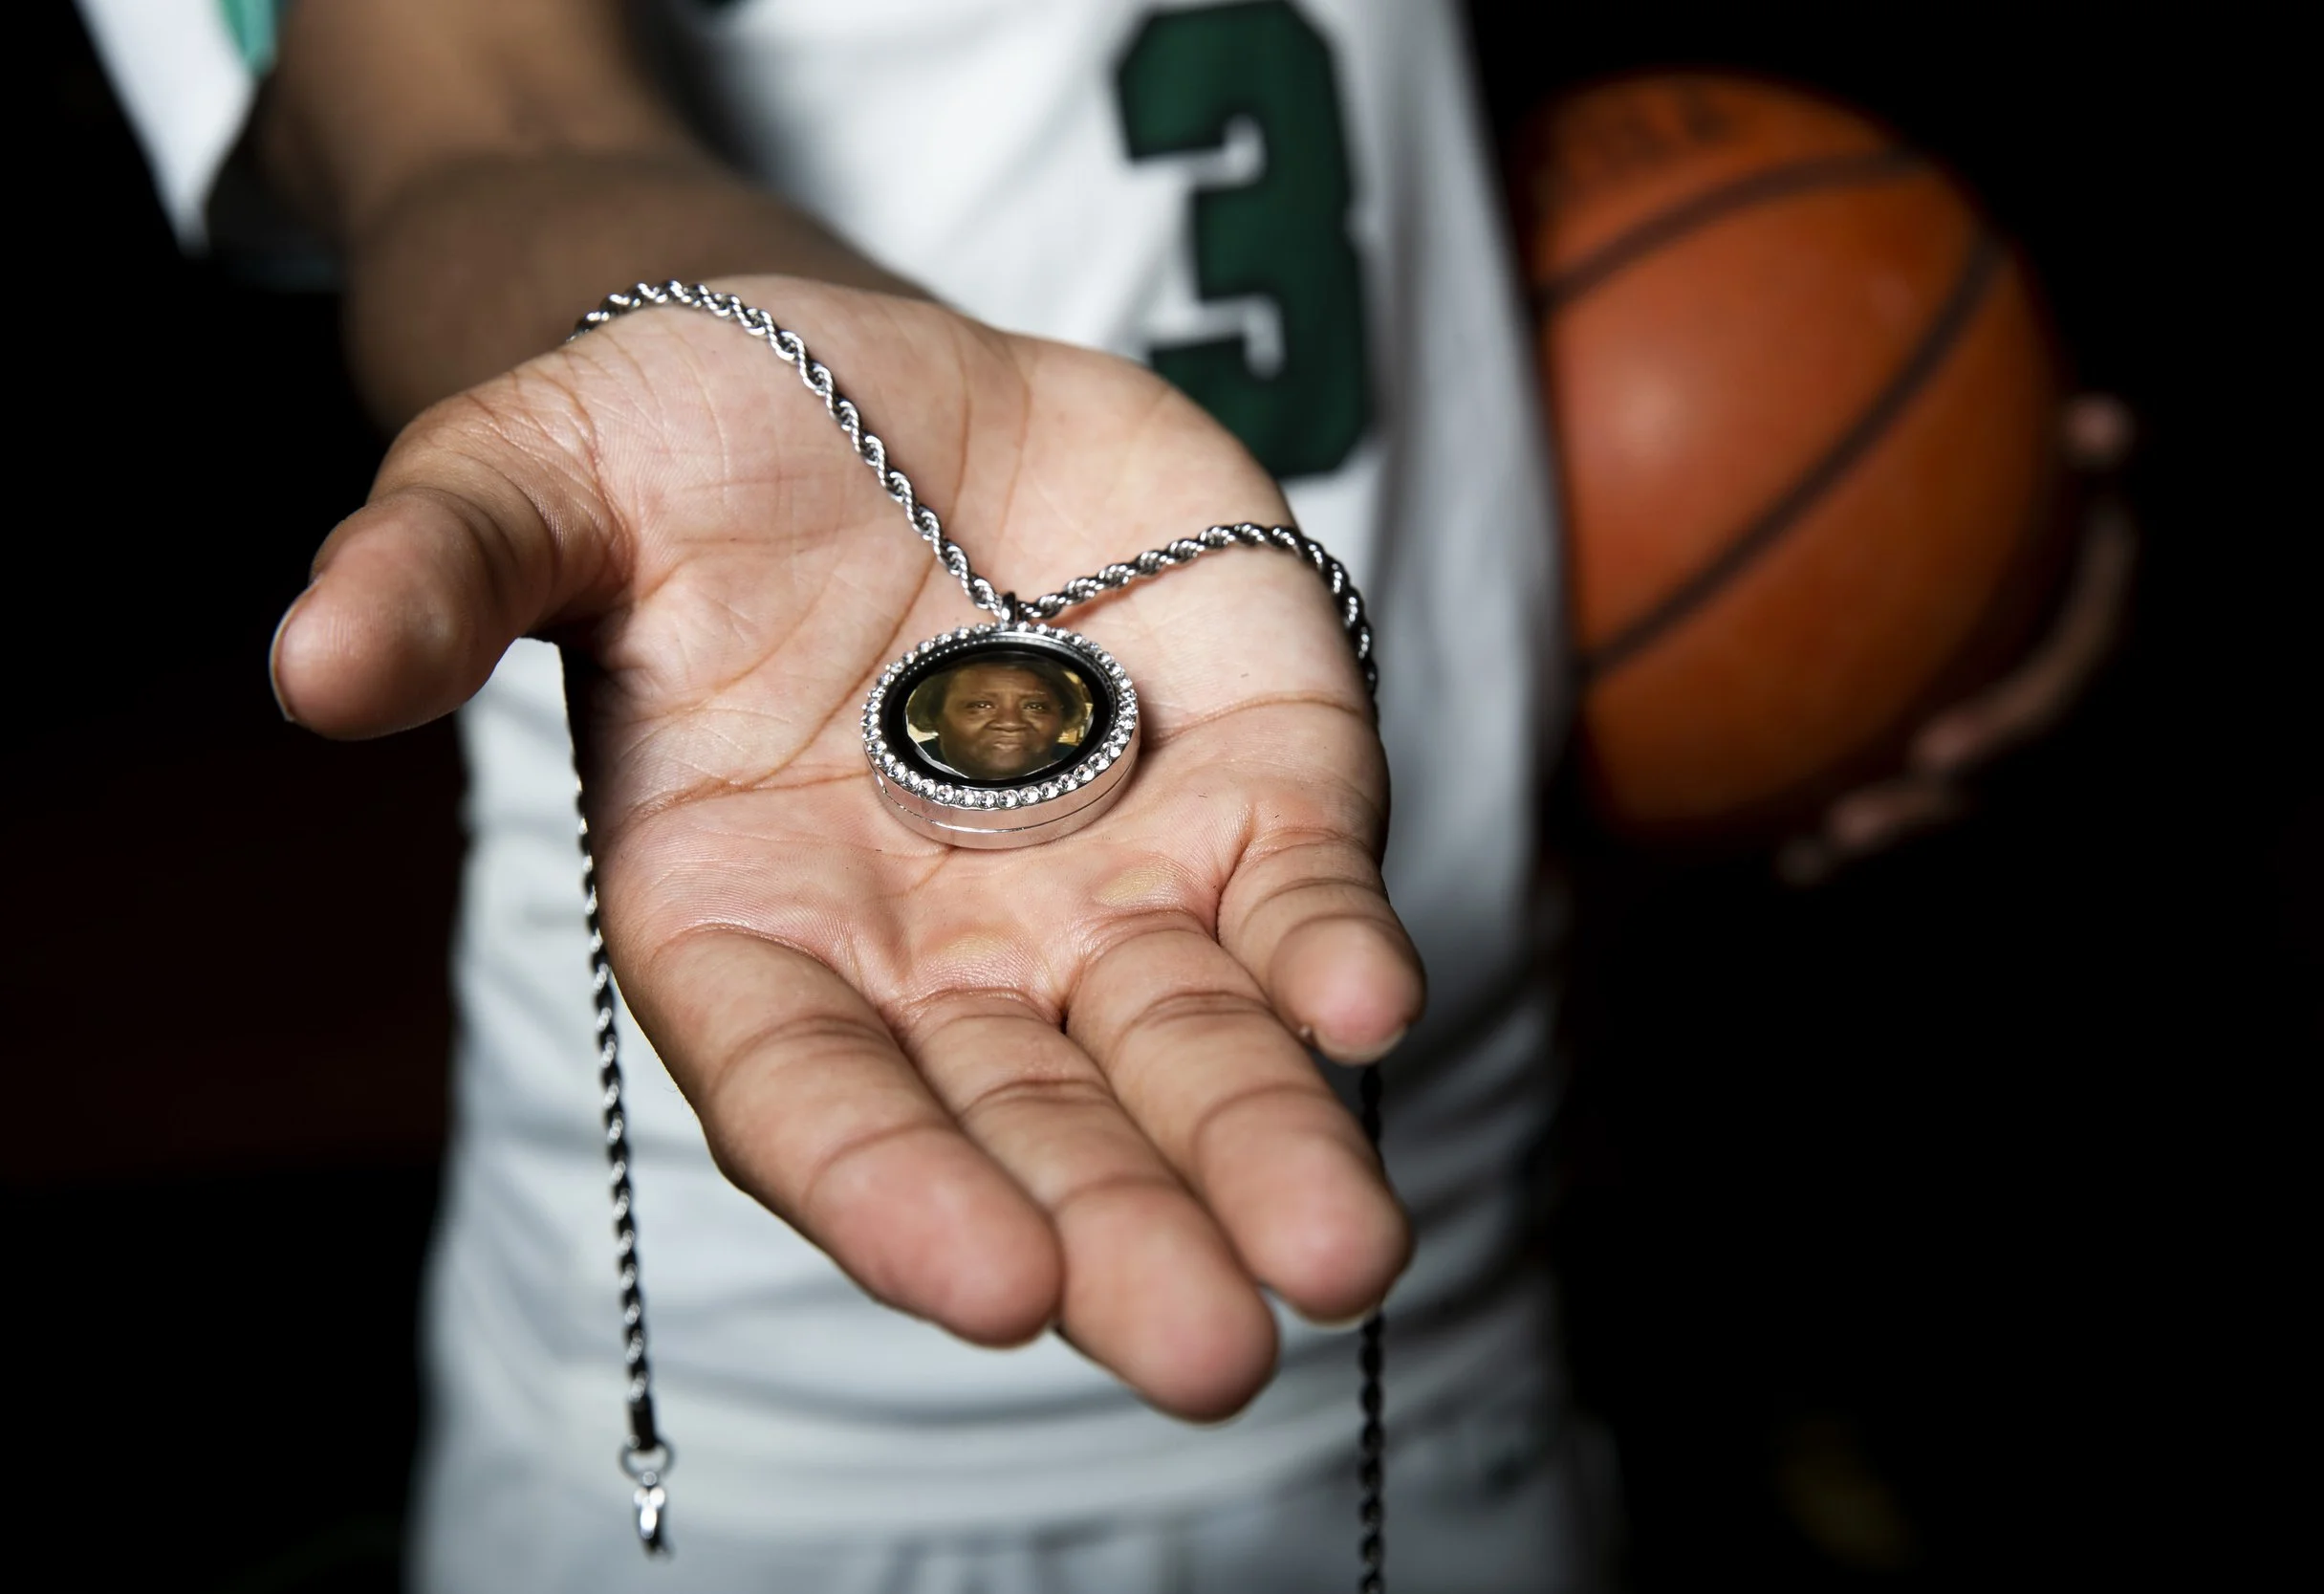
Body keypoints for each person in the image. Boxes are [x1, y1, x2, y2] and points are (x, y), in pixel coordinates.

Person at [76, 3, 2128, 1590]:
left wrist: (1867, 587)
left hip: (1467, 1297)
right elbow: (471, 109)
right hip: (777, 1439)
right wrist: (762, 361)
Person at [911, 654, 1090, 784]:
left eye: (1035, 707)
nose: (1010, 723)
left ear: (1063, 716)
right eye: (980, 706)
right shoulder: (912, 765)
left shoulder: (1086, 768)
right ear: (934, 714)